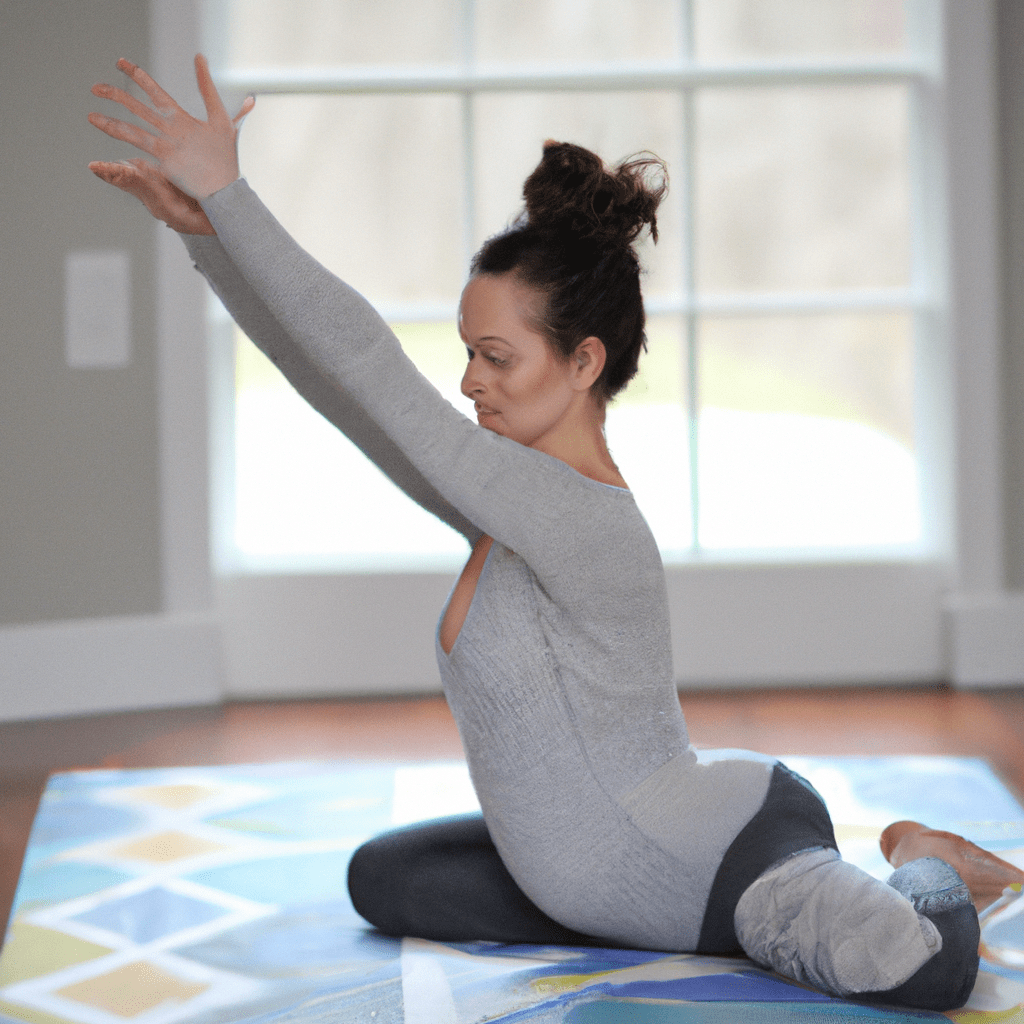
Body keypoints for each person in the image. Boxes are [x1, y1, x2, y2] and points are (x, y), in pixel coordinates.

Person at [89, 55, 1014, 1011]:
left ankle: (923, 855)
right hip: (577, 875)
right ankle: (597, 899)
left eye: (496, 356)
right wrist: (206, 237)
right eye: (466, 353)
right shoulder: (504, 498)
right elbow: (347, 398)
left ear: (583, 362)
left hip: (720, 861)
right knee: (384, 882)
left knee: (928, 971)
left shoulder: (582, 524)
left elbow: (373, 370)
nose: (468, 382)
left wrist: (234, 196)